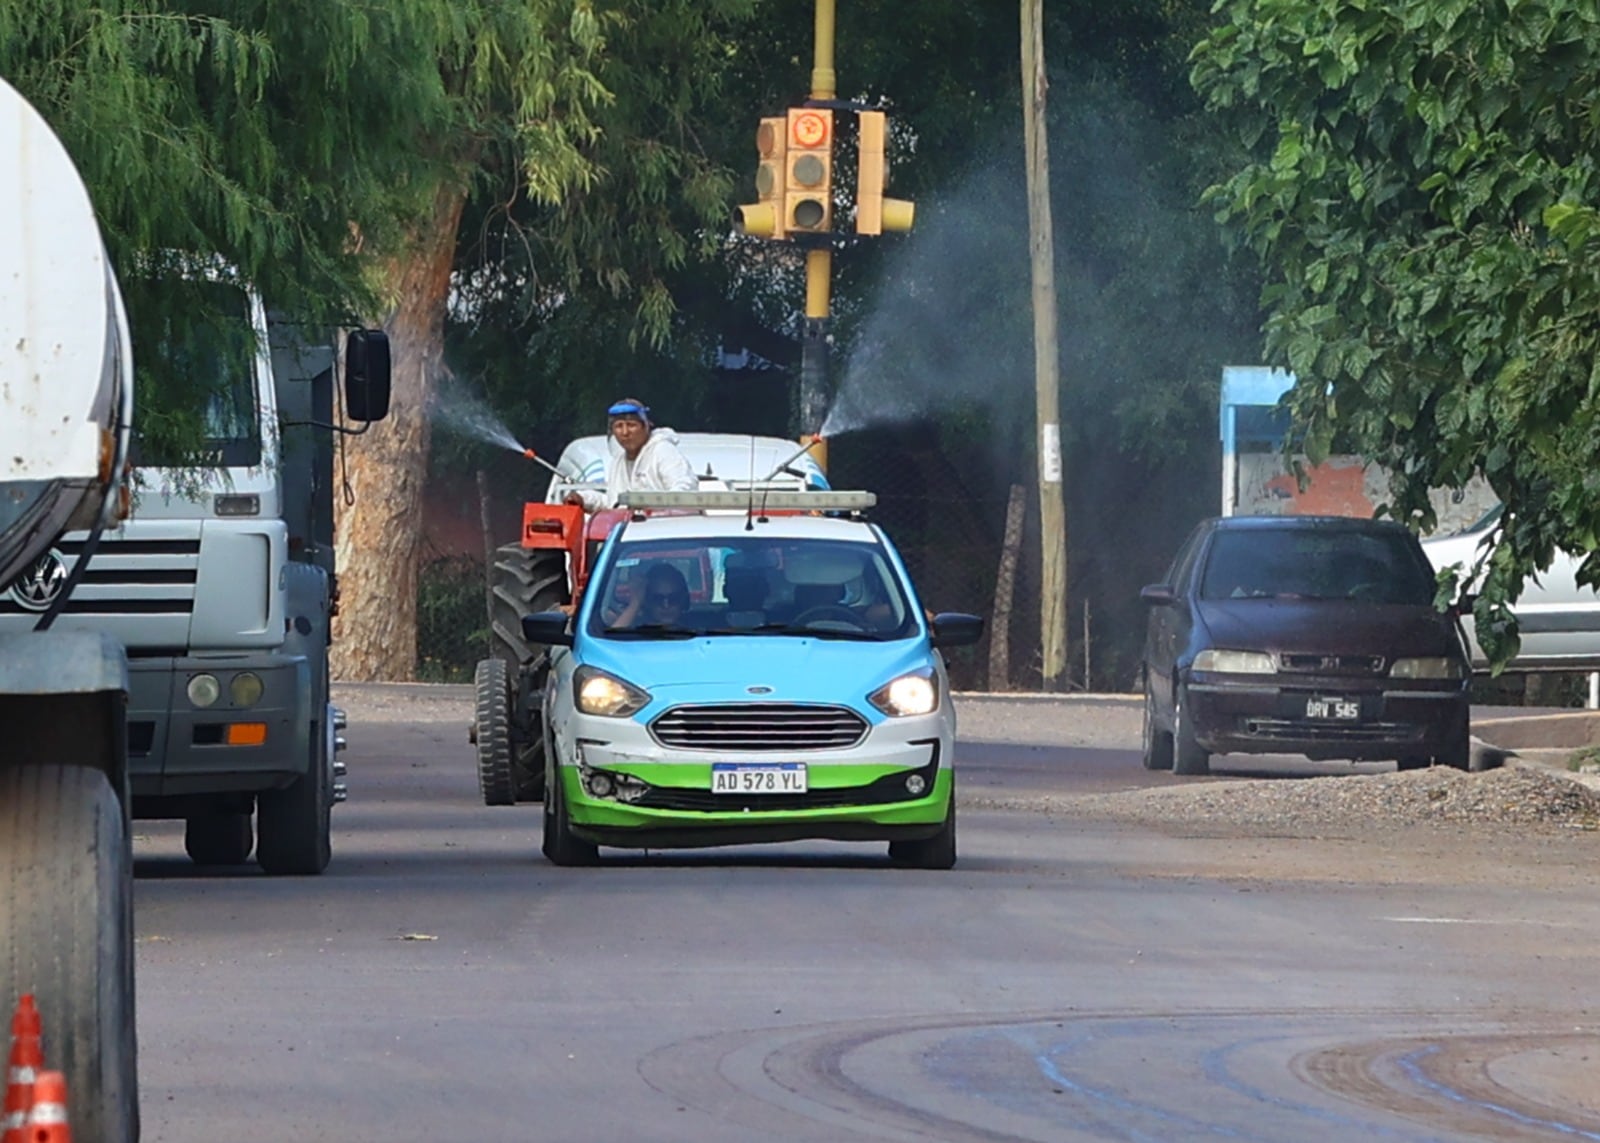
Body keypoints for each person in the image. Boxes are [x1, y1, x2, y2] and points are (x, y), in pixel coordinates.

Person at [565, 398, 697, 512]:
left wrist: (656, 509)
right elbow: (615, 505)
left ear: (646, 426)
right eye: (619, 426)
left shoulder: (662, 451)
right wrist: (584, 499)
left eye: (631, 425)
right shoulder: (618, 462)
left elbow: (685, 489)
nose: (625, 432)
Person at [610, 563, 691, 628]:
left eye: (673, 598)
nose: (666, 606)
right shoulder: (634, 628)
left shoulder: (700, 629)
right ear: (647, 600)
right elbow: (610, 643)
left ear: (683, 599)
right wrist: (635, 603)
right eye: (658, 599)